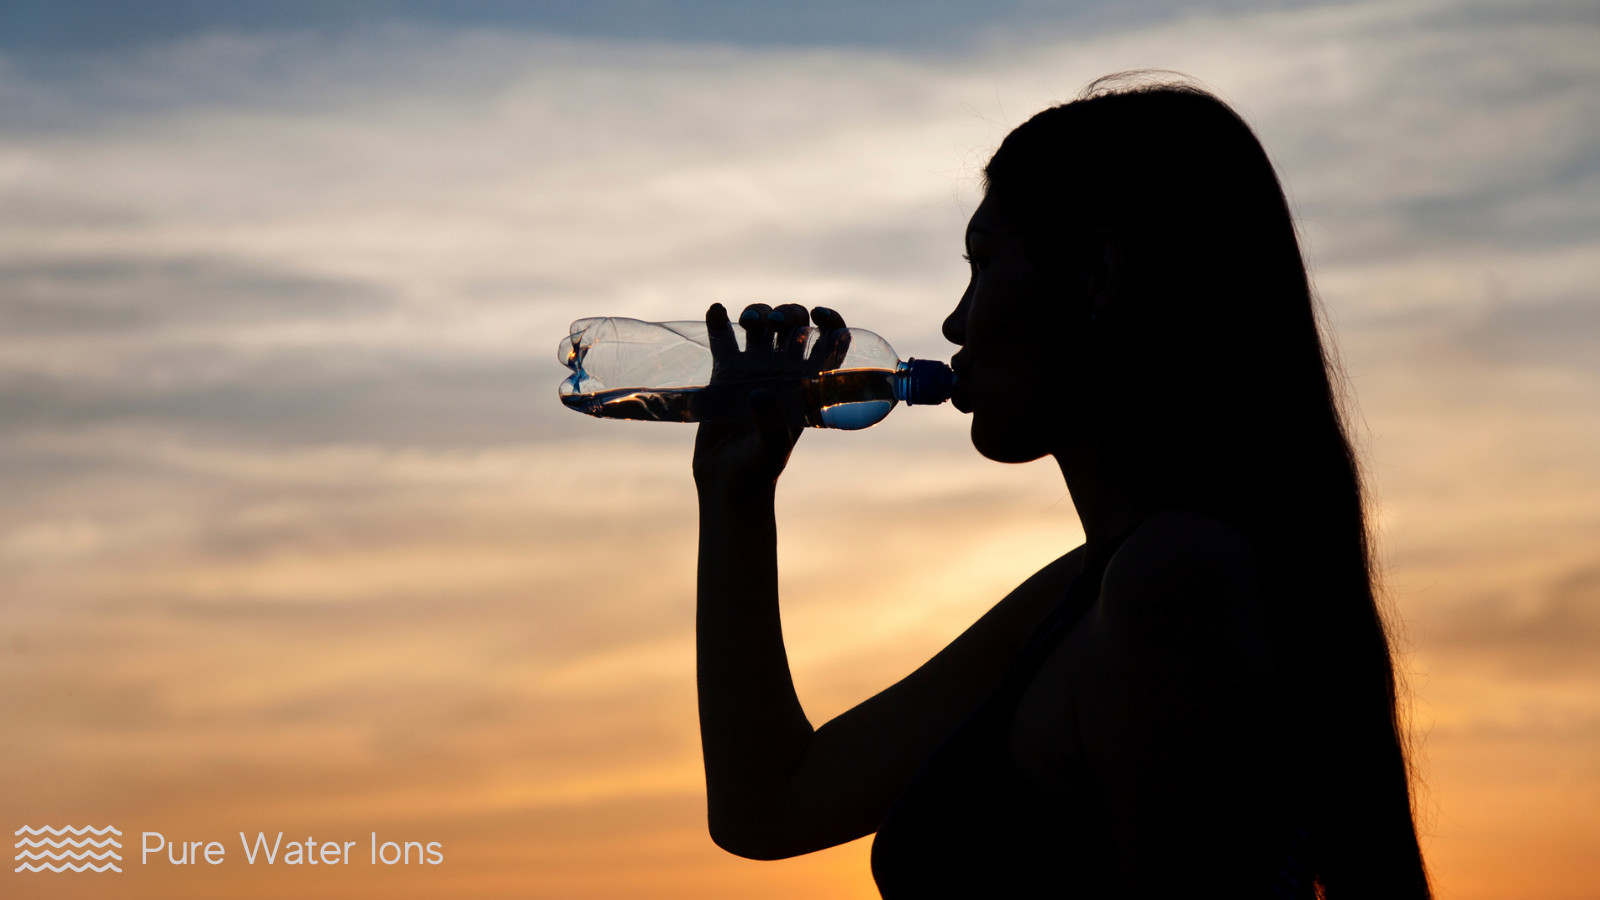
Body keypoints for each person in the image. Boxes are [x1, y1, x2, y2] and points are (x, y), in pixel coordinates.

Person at [691, 74, 1432, 898]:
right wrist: (734, 501)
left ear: (1096, 274)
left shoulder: (1175, 583)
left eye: (981, 266)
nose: (954, 324)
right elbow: (770, 805)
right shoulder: (1091, 594)